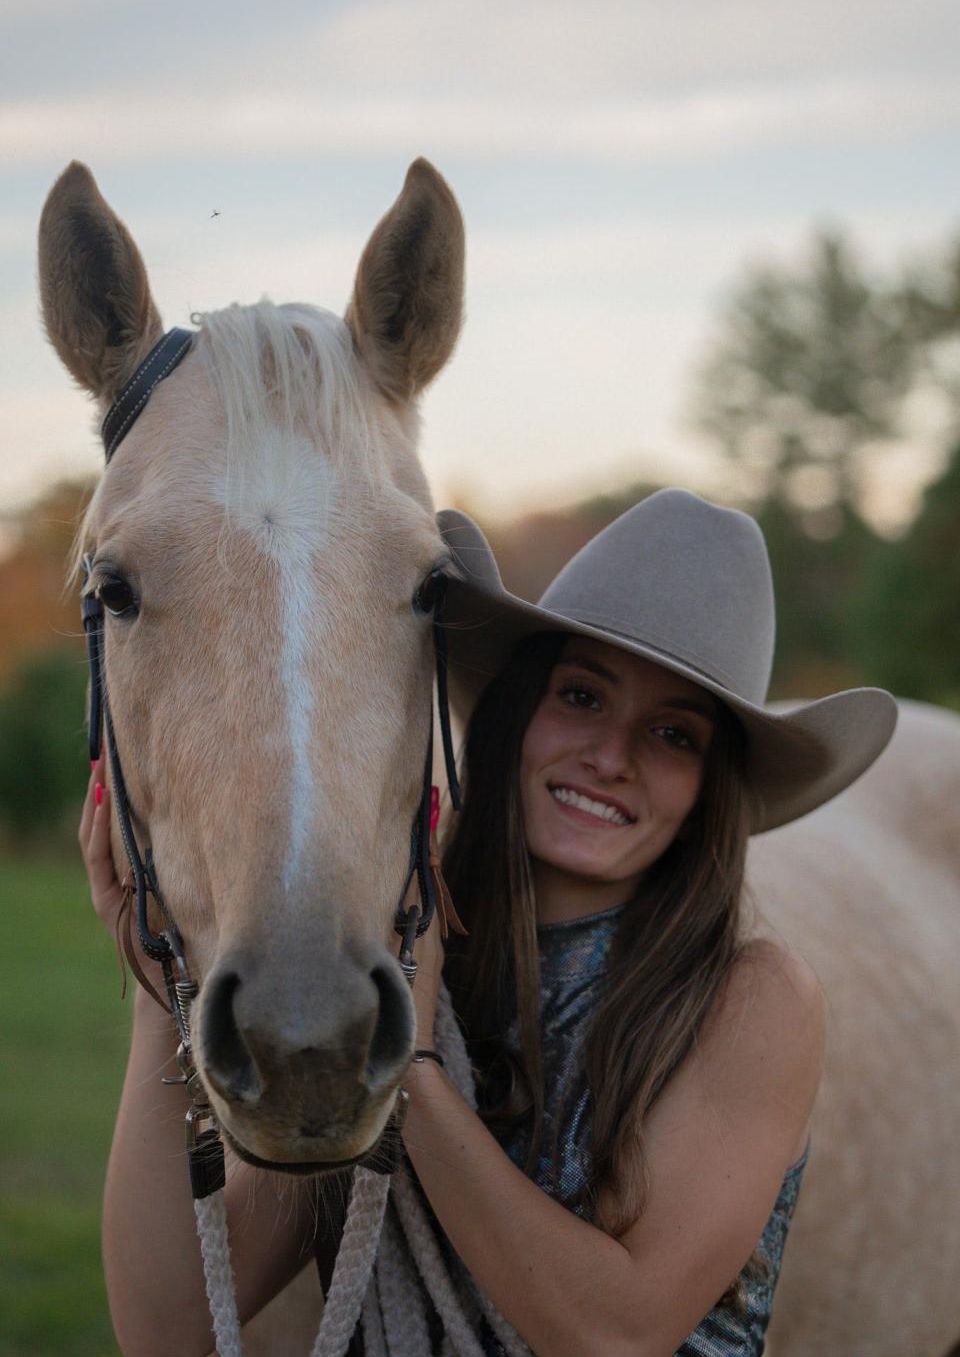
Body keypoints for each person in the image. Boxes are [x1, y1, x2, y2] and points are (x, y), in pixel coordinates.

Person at [80, 487, 896, 1356]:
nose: (611, 758)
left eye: (673, 735)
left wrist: (418, 1067)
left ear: (708, 789)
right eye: (582, 697)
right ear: (518, 711)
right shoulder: (397, 957)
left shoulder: (752, 1001)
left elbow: (619, 1335)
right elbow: (169, 1328)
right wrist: (161, 991)